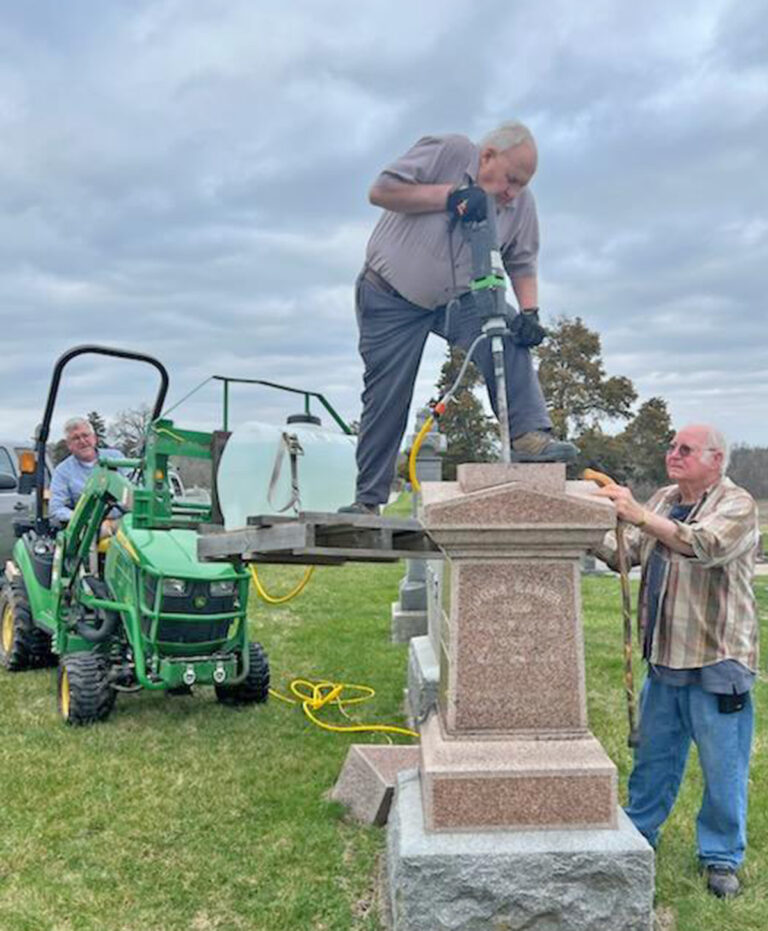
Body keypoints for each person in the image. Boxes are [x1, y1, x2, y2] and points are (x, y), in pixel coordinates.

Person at [343, 121, 577, 514]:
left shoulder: (520, 204)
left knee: (505, 330)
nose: (513, 193)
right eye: (510, 180)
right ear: (487, 156)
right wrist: (449, 196)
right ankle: (368, 501)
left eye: (522, 184)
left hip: (457, 299)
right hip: (390, 295)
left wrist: (531, 313)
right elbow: (380, 191)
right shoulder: (447, 151)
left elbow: (521, 260)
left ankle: (528, 435)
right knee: (388, 395)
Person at [593, 424, 759, 898]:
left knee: (722, 764)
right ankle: (639, 833)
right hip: (665, 659)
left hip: (717, 662)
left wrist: (639, 515)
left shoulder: (737, 505)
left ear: (716, 459)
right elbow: (622, 552)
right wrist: (583, 517)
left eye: (686, 449)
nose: (674, 454)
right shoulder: (665, 498)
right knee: (654, 757)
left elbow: (701, 545)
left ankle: (721, 856)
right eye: (671, 446)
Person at [49, 417, 124, 528]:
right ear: (69, 445)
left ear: (94, 438)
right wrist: (81, 518)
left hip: (123, 522)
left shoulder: (117, 458)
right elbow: (57, 508)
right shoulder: (62, 471)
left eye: (85, 436)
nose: (82, 441)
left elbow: (135, 488)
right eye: (76, 438)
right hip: (89, 528)